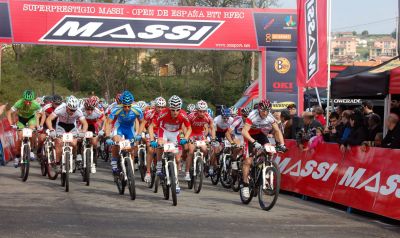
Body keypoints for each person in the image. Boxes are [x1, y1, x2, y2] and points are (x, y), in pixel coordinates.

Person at [241, 99, 287, 199]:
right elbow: (244, 132)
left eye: (267, 110)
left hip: (259, 134)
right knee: (248, 161)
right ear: (259, 109)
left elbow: (277, 131)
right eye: (263, 110)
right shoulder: (252, 115)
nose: (265, 113)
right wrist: (253, 142)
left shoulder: (270, 116)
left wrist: (282, 144)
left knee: (269, 151)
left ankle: (264, 167)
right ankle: (245, 185)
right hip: (249, 136)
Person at [148, 95, 192, 194]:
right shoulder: (163, 113)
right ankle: (159, 165)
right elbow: (151, 126)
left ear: (180, 109)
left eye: (177, 110)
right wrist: (151, 140)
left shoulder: (183, 115)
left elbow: (189, 128)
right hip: (164, 131)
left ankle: (176, 181)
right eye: (173, 110)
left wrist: (185, 138)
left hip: (175, 134)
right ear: (169, 108)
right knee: (160, 143)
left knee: (177, 159)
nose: (175, 112)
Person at [105, 90, 143, 174]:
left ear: (131, 104)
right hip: (119, 128)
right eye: (124, 106)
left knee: (131, 150)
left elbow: (142, 122)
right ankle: (114, 162)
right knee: (116, 142)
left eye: (129, 106)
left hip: (130, 129)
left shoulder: (137, 109)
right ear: (122, 104)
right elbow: (108, 122)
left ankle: (131, 170)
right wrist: (107, 137)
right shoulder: (117, 109)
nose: (126, 108)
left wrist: (139, 134)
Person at [46, 96, 88, 164]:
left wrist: (83, 132)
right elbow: (49, 119)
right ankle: (57, 162)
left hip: (72, 126)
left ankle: (74, 157)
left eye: (74, 110)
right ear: (67, 107)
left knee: (74, 144)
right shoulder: (60, 109)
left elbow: (85, 124)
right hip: (61, 125)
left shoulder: (78, 111)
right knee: (59, 143)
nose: (72, 112)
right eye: (71, 110)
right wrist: (51, 130)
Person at [7, 90, 44, 167]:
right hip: (21, 120)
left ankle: (30, 151)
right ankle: (17, 157)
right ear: (23, 99)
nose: (27, 103)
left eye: (29, 101)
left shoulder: (36, 104)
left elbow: (43, 114)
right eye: (26, 101)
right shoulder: (19, 103)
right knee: (20, 137)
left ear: (32, 100)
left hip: (31, 119)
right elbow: (9, 113)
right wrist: (11, 124)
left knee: (32, 132)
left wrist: (40, 124)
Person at [137, 96, 166, 183]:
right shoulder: (149, 113)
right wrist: (138, 134)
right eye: (158, 107)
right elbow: (143, 124)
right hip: (151, 132)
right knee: (150, 149)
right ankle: (148, 172)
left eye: (162, 107)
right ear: (155, 106)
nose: (160, 109)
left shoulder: (167, 113)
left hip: (163, 133)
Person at [187, 100, 215, 181]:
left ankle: (201, 162)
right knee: (191, 151)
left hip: (200, 135)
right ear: (196, 110)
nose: (202, 113)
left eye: (203, 111)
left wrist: (213, 138)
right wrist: (185, 137)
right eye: (200, 111)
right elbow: (185, 126)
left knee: (205, 149)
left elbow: (212, 128)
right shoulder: (191, 116)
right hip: (191, 134)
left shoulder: (208, 117)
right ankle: (187, 172)